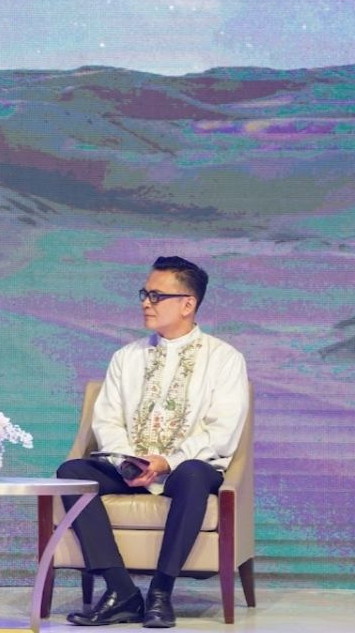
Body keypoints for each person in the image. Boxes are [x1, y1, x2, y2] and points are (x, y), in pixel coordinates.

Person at [57, 257, 249, 628]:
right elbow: (107, 419)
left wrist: (166, 461)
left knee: (193, 474)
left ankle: (161, 592)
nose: (146, 302)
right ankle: (121, 591)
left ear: (188, 304)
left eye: (156, 296)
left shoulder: (224, 359)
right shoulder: (126, 357)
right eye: (145, 294)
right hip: (130, 468)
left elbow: (222, 430)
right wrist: (130, 462)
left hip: (187, 468)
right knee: (72, 472)